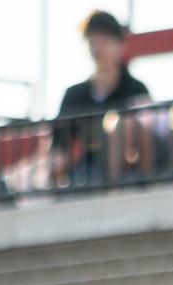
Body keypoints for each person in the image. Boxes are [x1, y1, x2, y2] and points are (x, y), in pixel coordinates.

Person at [55, 10, 153, 183]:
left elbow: (148, 134)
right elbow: (58, 145)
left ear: (121, 44)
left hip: (128, 175)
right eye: (92, 41)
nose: (97, 48)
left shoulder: (136, 89)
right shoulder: (74, 95)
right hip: (82, 175)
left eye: (104, 41)